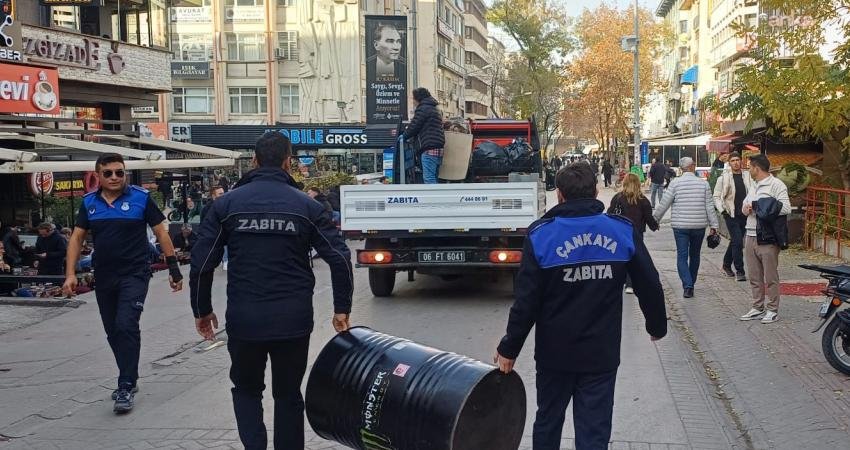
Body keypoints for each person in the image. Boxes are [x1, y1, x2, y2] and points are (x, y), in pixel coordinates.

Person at [189, 132, 353, 450]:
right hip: (293, 320)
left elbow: (202, 263)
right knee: (288, 394)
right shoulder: (307, 206)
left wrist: (202, 309)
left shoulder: (225, 205)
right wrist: (341, 307)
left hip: (245, 320)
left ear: (254, 161)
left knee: (246, 390)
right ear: (288, 162)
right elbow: (339, 257)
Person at [494, 162, 667, 450]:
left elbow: (527, 301)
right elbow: (649, 282)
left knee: (548, 420)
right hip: (601, 353)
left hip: (554, 354)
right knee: (594, 429)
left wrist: (509, 348)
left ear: (559, 195)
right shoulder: (621, 231)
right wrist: (656, 326)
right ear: (596, 192)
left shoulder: (541, 235)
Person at [62, 153, 183, 414]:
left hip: (135, 274)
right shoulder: (89, 203)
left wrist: (174, 268)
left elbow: (161, 232)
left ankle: (125, 384)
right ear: (98, 175)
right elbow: (77, 238)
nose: (115, 177)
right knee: (113, 331)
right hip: (104, 275)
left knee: (126, 324)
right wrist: (70, 274)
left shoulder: (141, 198)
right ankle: (130, 373)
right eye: (108, 173)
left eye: (120, 172)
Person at [653, 157, 719, 298]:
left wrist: (655, 219)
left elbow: (664, 203)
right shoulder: (703, 184)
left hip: (680, 226)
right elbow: (709, 206)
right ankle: (691, 282)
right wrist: (714, 225)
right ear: (692, 166)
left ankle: (687, 286)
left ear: (682, 169)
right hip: (699, 226)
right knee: (695, 255)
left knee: (682, 256)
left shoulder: (675, 184)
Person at [739, 154, 791, 324]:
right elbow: (744, 206)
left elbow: (786, 208)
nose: (748, 170)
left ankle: (772, 309)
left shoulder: (776, 184)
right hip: (750, 234)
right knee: (754, 276)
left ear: (757, 168)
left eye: (750, 167)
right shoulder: (753, 185)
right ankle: (757, 307)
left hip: (767, 237)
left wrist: (761, 207)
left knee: (770, 276)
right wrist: (746, 209)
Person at [608, 173, 660, 294]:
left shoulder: (617, 198)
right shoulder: (643, 200)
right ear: (638, 184)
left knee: (622, 256)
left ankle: (622, 280)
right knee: (634, 258)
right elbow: (648, 217)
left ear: (624, 183)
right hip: (637, 233)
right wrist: (654, 226)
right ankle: (630, 284)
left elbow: (610, 214)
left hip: (620, 232)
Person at [713, 152, 752, 282]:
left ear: (741, 161)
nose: (735, 163)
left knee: (736, 241)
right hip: (730, 213)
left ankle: (726, 265)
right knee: (738, 242)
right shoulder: (723, 178)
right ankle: (740, 271)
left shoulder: (747, 176)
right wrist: (722, 210)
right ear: (729, 163)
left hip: (745, 214)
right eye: (733, 160)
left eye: (737, 160)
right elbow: (716, 196)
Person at [403, 87, 445, 184]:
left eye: (413, 98)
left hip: (428, 147)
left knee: (429, 178)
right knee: (434, 176)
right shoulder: (434, 108)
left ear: (418, 98)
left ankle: (432, 195)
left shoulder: (423, 109)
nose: (413, 101)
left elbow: (414, 126)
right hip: (437, 147)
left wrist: (404, 136)